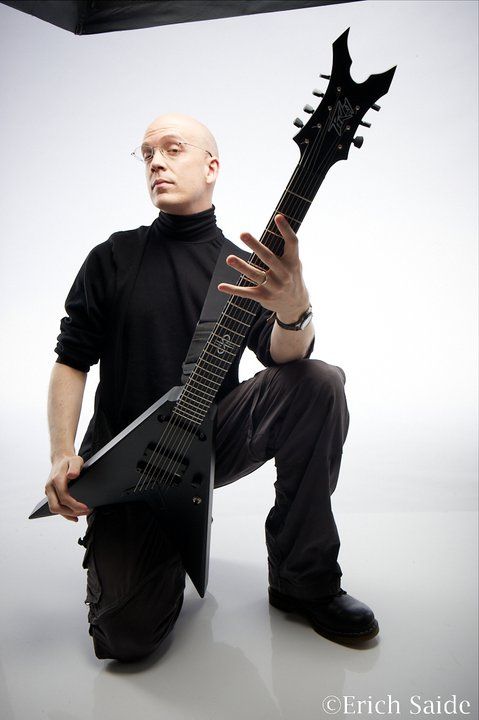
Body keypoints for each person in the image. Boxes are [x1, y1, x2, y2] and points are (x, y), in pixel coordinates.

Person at [44, 113, 378, 662]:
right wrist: (62, 451)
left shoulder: (242, 268)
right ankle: (155, 545)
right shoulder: (113, 257)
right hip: (127, 461)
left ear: (211, 167)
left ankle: (302, 578)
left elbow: (284, 358)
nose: (156, 162)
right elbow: (71, 360)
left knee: (319, 382)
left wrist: (294, 311)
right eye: (147, 154)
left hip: (210, 439)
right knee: (126, 639)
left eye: (173, 148)